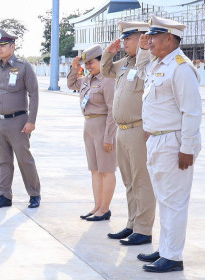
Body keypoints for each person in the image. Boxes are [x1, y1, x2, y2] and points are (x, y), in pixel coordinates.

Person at [135, 15, 202, 273]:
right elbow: (142, 75)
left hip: (174, 143)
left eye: (153, 36)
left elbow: (192, 112)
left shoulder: (181, 67)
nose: (149, 40)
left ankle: (173, 256)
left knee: (174, 202)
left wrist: (187, 148)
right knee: (164, 199)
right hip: (157, 140)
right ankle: (165, 249)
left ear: (169, 38)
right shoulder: (159, 64)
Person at [101, 21, 156, 245]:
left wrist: (143, 50)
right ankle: (132, 224)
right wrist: (108, 53)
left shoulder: (148, 62)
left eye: (129, 38)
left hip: (138, 129)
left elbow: (145, 70)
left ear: (143, 39)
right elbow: (105, 71)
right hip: (122, 130)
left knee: (141, 180)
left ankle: (143, 229)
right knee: (128, 181)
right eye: (123, 38)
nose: (124, 42)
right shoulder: (124, 63)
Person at [0, 29, 41, 209]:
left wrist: (31, 120)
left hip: (18, 121)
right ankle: (4, 195)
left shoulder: (24, 67)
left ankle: (34, 194)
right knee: (2, 161)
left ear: (12, 46)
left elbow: (34, 93)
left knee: (24, 159)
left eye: (3, 45)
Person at [67, 44, 117, 221]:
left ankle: (105, 209)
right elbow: (71, 84)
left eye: (91, 63)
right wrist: (75, 68)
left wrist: (109, 137)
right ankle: (97, 206)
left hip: (103, 126)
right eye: (86, 64)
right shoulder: (87, 79)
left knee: (107, 170)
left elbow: (112, 109)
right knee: (95, 170)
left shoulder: (108, 79)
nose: (88, 66)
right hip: (88, 126)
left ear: (101, 60)